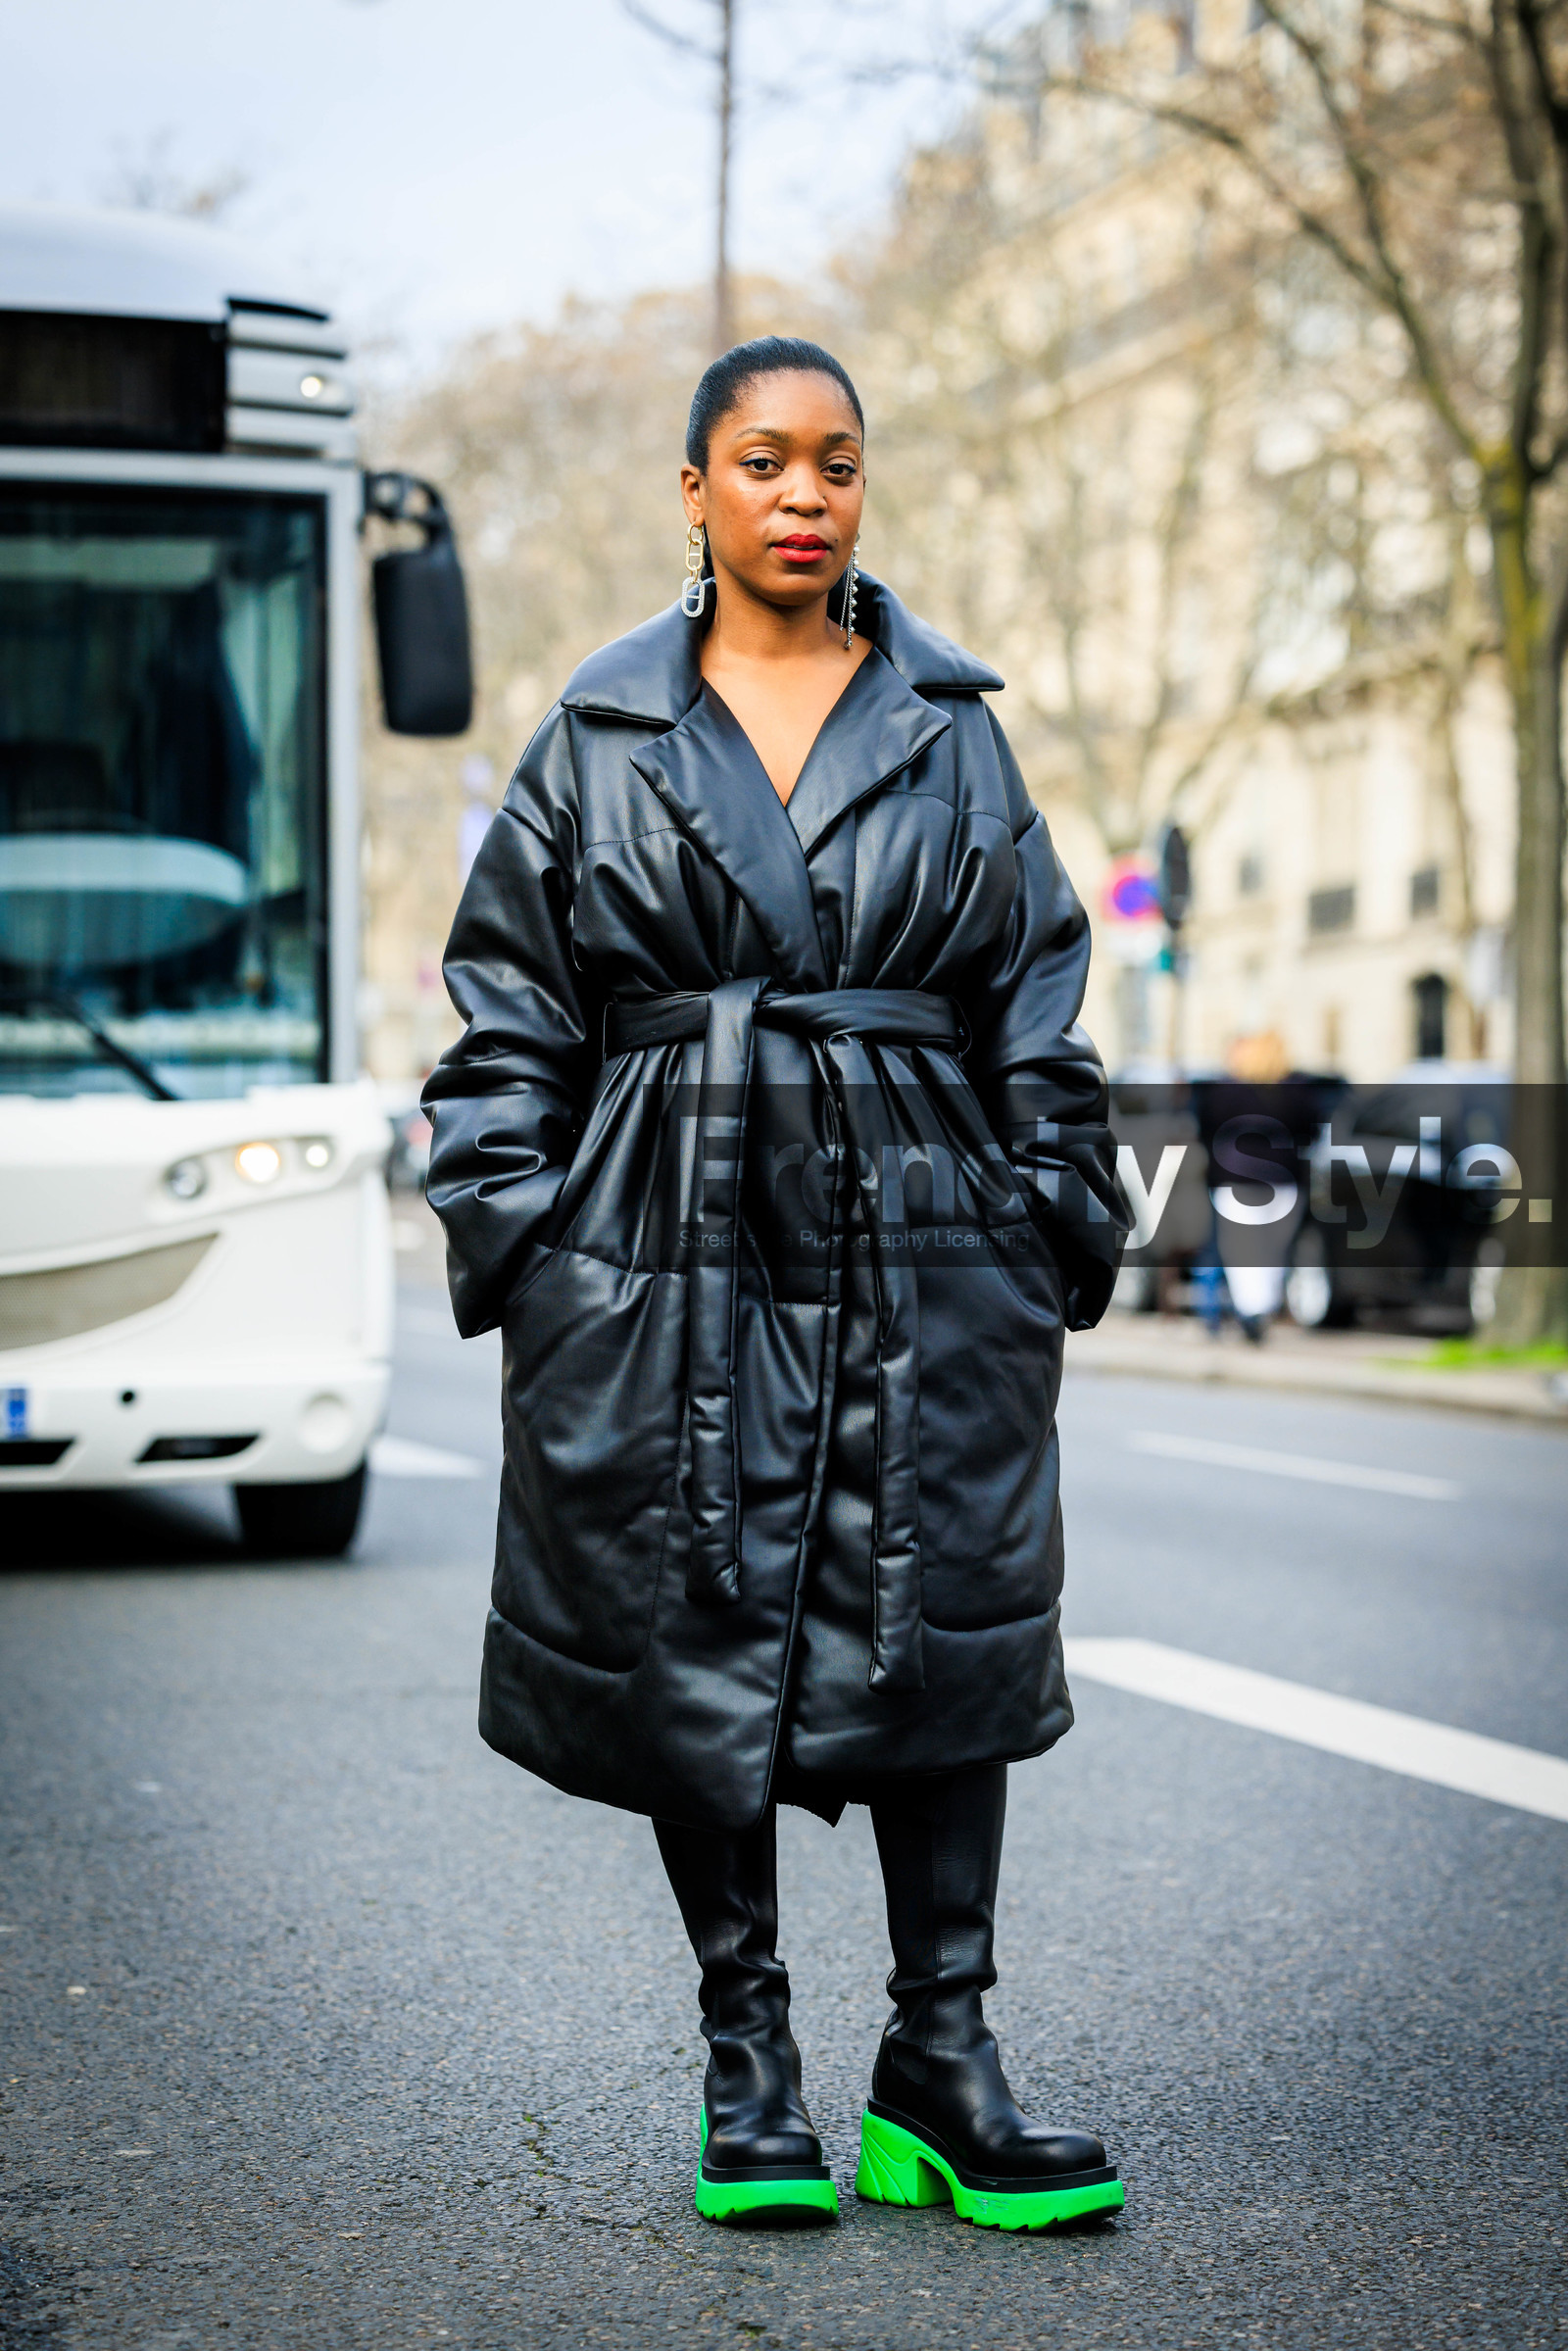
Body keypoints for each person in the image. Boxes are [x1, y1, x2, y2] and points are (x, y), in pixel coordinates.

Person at [422, 338, 1131, 2233]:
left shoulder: (953, 724)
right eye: (764, 461)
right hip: (670, 1231)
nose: (806, 494)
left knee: (943, 1618)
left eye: (837, 461)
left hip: (929, 1227)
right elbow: (507, 1017)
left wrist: (1054, 1210)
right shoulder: (600, 738)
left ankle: (944, 2063)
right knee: (698, 1616)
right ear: (696, 491)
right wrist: (534, 1241)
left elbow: (1036, 991)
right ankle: (752, 2059)